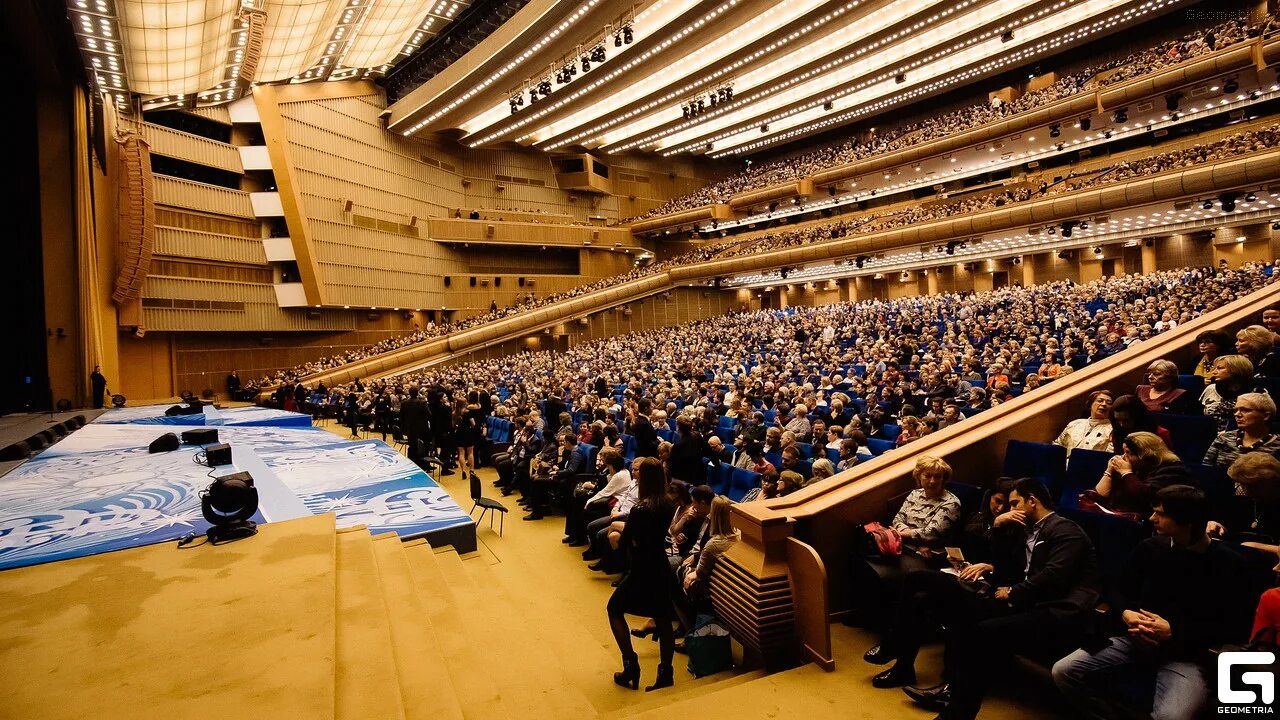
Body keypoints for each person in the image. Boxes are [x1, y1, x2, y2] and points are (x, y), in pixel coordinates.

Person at [868, 479, 1100, 720]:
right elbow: (1006, 567)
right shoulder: (1027, 530)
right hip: (1015, 599)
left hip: (1052, 611)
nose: (1009, 510)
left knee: (978, 629)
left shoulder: (1066, 530)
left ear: (1032, 501)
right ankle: (895, 651)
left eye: (1014, 504)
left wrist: (1013, 592)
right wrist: (998, 528)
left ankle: (954, 707)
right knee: (919, 581)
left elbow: (1054, 576)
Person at [1052, 485, 1263, 720]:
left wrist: (1174, 632)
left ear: (1187, 520)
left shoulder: (1230, 564)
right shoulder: (1151, 548)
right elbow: (1116, 589)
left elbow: (1236, 627)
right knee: (1064, 671)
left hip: (1187, 655)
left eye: (1161, 514)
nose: (1152, 518)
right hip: (1133, 640)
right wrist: (1126, 613)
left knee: (1172, 717)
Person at [852, 456, 962, 632]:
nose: (932, 481)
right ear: (919, 475)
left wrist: (903, 534)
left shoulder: (951, 503)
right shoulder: (915, 494)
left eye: (938, 476)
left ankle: (890, 627)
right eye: (928, 475)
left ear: (944, 478)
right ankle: (869, 616)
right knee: (861, 563)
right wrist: (912, 536)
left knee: (883, 574)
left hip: (930, 555)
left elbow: (931, 534)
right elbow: (898, 519)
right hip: (908, 547)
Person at [608, 457, 678, 692]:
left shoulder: (641, 507)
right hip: (659, 564)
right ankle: (666, 673)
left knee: (614, 608)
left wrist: (629, 540)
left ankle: (630, 665)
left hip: (640, 568)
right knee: (663, 619)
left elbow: (627, 540)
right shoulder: (669, 503)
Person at [1095, 431, 1196, 515]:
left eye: (1128, 452)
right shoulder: (1135, 467)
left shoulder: (1173, 471)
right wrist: (1108, 471)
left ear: (1144, 455)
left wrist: (1127, 473)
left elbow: (1146, 498)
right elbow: (1099, 496)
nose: (1123, 457)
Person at [1203, 392, 1280, 468]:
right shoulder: (1224, 438)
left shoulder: (1277, 444)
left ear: (1266, 416)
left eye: (1245, 410)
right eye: (1236, 410)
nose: (1237, 414)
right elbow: (1206, 469)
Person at [1200, 354, 1258, 431]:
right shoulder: (1211, 388)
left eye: (1219, 368)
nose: (1214, 372)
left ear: (1236, 370)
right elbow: (1199, 416)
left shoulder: (1255, 393)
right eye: (1214, 368)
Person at [1053, 390, 1114, 454]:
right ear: (1090, 404)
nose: (1104, 404)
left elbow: (1109, 455)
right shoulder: (1074, 424)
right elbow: (1058, 445)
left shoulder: (1112, 430)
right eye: (1100, 401)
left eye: (1109, 403)